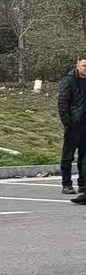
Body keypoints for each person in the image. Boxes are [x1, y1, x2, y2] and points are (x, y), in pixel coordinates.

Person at [58, 57, 86, 201]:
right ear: (77, 66)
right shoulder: (69, 81)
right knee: (68, 155)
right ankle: (66, 184)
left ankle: (82, 184)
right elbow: (63, 102)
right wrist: (67, 122)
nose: (85, 69)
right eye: (84, 66)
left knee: (84, 157)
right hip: (74, 124)